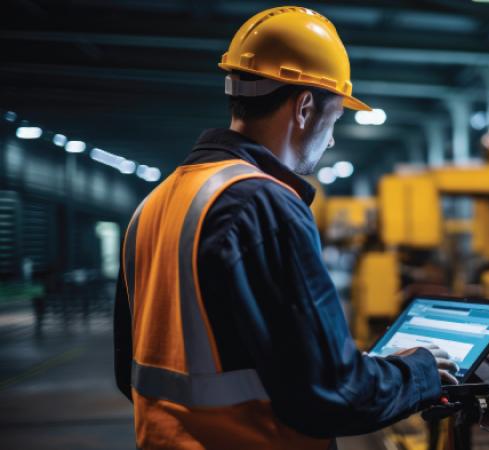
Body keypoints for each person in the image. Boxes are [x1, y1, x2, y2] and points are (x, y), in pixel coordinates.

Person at [113, 6, 457, 450]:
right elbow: (333, 396)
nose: (331, 139)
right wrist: (421, 371)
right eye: (334, 120)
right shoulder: (264, 204)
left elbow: (132, 372)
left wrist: (367, 366)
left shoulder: (154, 204)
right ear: (305, 107)